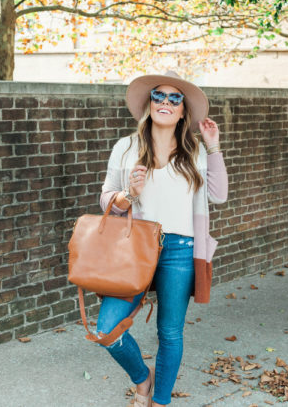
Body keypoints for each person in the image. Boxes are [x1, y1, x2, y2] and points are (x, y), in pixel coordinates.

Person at [96, 70, 228, 406]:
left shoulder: (195, 152)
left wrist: (213, 148)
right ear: (149, 104)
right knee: (107, 328)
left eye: (174, 98)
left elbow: (219, 195)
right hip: (135, 246)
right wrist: (129, 193)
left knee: (170, 333)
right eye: (159, 96)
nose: (165, 102)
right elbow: (107, 198)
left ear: (183, 111)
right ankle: (143, 378)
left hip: (180, 250)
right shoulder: (126, 147)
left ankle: (160, 400)